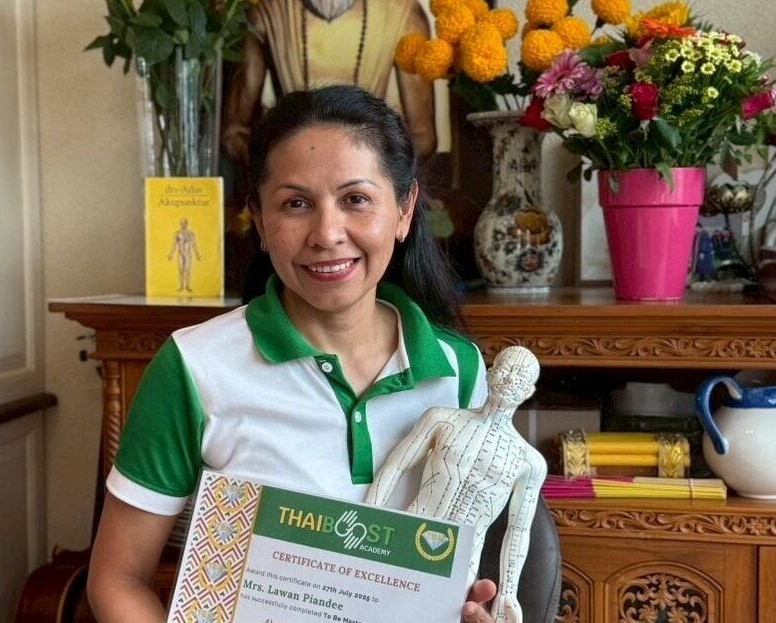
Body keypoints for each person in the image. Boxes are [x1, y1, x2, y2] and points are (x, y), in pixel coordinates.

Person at [87, 84, 498, 623]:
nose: (327, 234)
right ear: (259, 220)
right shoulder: (194, 367)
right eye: (296, 204)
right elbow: (118, 579)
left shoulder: (458, 373)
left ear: (404, 210)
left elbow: (457, 569)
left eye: (356, 199)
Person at [366, 345, 547, 623]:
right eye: (506, 369)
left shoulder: (530, 462)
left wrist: (508, 592)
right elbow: (396, 466)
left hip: (463, 565)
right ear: (490, 373)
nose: (510, 379)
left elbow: (519, 529)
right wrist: (367, 525)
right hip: (406, 539)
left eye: (520, 377)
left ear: (528, 391)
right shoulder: (440, 419)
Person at [222, 0, 437, 165]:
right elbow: (234, 133)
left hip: (370, 177)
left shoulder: (402, 11)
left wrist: (378, 171)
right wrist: (278, 167)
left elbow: (422, 136)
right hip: (289, 175)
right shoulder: (267, 11)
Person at [167, 217, 201, 292]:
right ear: (180, 224)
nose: (183, 224)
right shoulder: (177, 233)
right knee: (181, 271)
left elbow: (194, 244)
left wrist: (197, 254)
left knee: (188, 270)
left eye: (184, 223)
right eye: (182, 223)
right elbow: (174, 244)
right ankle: (181, 286)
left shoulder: (190, 233)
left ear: (187, 223)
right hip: (180, 254)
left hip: (188, 254)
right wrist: (171, 254)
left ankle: (187, 286)